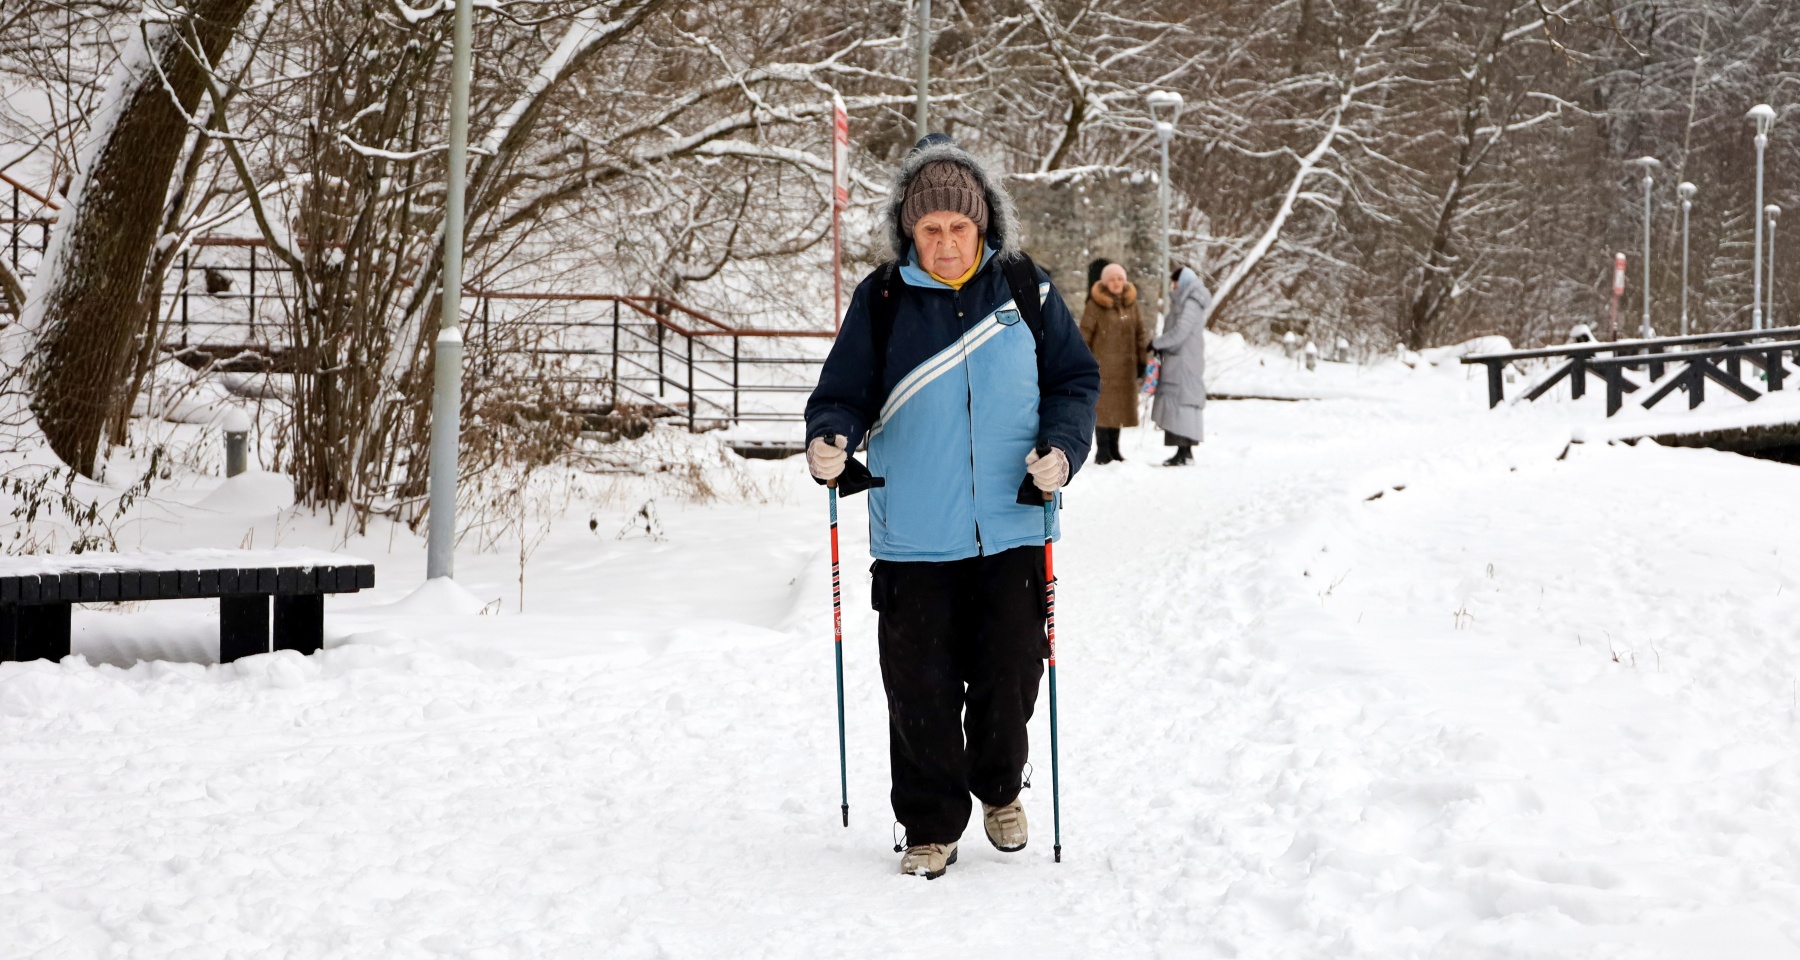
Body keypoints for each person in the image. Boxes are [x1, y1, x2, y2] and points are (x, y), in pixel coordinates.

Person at [804, 134, 1100, 879]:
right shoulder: (882, 301)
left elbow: (1074, 382)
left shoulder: (1027, 292)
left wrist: (1063, 449)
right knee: (921, 696)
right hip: (914, 539)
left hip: (1013, 527)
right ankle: (930, 824)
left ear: (983, 226)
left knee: (1010, 681)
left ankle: (1000, 788)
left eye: (956, 227)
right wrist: (828, 439)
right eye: (927, 228)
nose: (942, 241)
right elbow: (840, 394)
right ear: (909, 229)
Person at [1079, 262, 1150, 464]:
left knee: (1119, 407)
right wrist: (1084, 363)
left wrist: (1142, 360)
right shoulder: (1094, 305)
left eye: (1120, 279)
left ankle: (1115, 449)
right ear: (1104, 282)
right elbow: (1084, 335)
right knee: (1103, 408)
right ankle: (1103, 450)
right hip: (1102, 367)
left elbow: (1140, 333)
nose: (1117, 283)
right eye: (1112, 279)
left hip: (1125, 367)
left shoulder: (1132, 304)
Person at [1151, 265, 1210, 466]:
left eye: (1175, 282)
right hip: (1182, 359)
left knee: (1182, 402)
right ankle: (1183, 450)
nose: (1173, 286)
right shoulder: (1187, 300)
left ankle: (1184, 451)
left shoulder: (1190, 302)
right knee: (1180, 402)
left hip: (1183, 361)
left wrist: (1157, 343)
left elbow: (1181, 331)